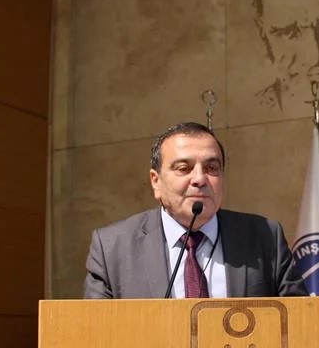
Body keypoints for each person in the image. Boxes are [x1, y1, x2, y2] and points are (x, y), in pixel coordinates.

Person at [84, 122, 306, 298]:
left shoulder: (265, 237)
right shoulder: (112, 248)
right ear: (155, 181)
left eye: (211, 168)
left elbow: (299, 323)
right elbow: (96, 332)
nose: (200, 179)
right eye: (184, 168)